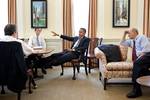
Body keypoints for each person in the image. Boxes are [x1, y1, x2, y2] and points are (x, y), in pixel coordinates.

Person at [120, 28, 150, 98]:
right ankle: (137, 88)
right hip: (143, 58)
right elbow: (122, 43)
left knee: (136, 64)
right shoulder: (132, 41)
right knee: (142, 70)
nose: (128, 35)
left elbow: (146, 49)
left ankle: (136, 91)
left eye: (129, 33)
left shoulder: (142, 37)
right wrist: (124, 33)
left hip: (148, 55)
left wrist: (138, 59)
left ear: (134, 32)